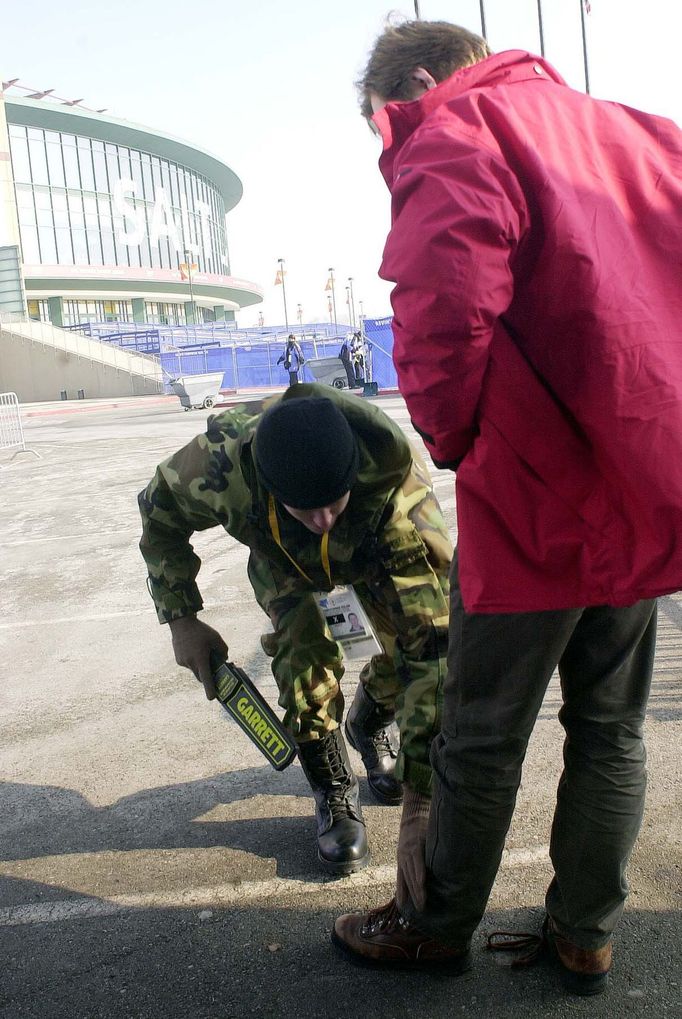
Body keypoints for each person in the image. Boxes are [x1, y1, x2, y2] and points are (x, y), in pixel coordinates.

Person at [332, 19, 682, 995]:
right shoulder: (641, 133)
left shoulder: (458, 133)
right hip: (641, 483)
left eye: (379, 126)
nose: (387, 145)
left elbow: (442, 307)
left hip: (533, 496)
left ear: (412, 79)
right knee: (610, 724)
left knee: (480, 728)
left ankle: (435, 923)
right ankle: (585, 932)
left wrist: (449, 438)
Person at [139, 382, 452, 876]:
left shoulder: (395, 489)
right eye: (306, 507)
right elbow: (159, 513)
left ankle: (369, 724)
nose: (324, 520)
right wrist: (182, 619)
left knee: (407, 655)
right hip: (282, 559)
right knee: (300, 658)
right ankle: (333, 789)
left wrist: (422, 797)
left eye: (333, 502)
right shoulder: (219, 469)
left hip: (371, 545)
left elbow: (433, 644)